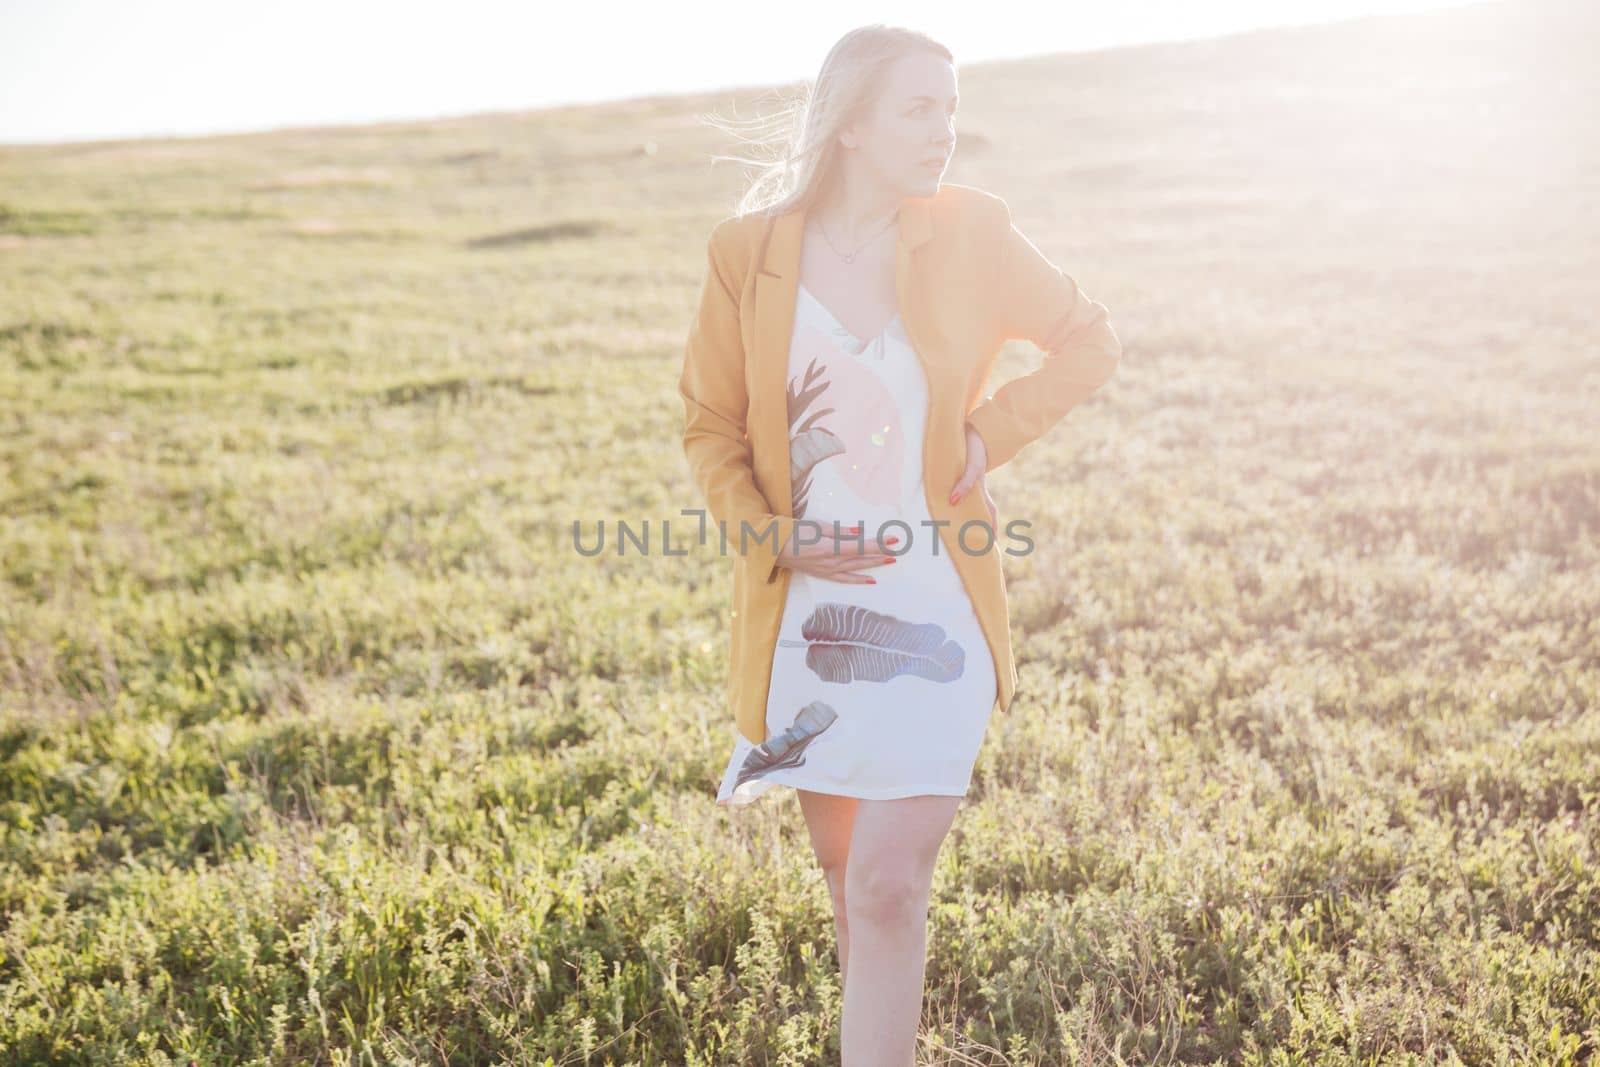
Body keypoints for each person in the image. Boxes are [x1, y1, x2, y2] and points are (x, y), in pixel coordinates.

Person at [678, 24, 1122, 1066]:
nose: (946, 131)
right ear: (851, 123)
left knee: (884, 880)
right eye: (920, 108)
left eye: (952, 109)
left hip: (935, 606)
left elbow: (1089, 339)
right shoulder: (747, 256)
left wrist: (988, 431)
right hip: (809, 619)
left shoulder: (972, 232)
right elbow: (710, 427)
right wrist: (773, 532)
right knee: (850, 887)